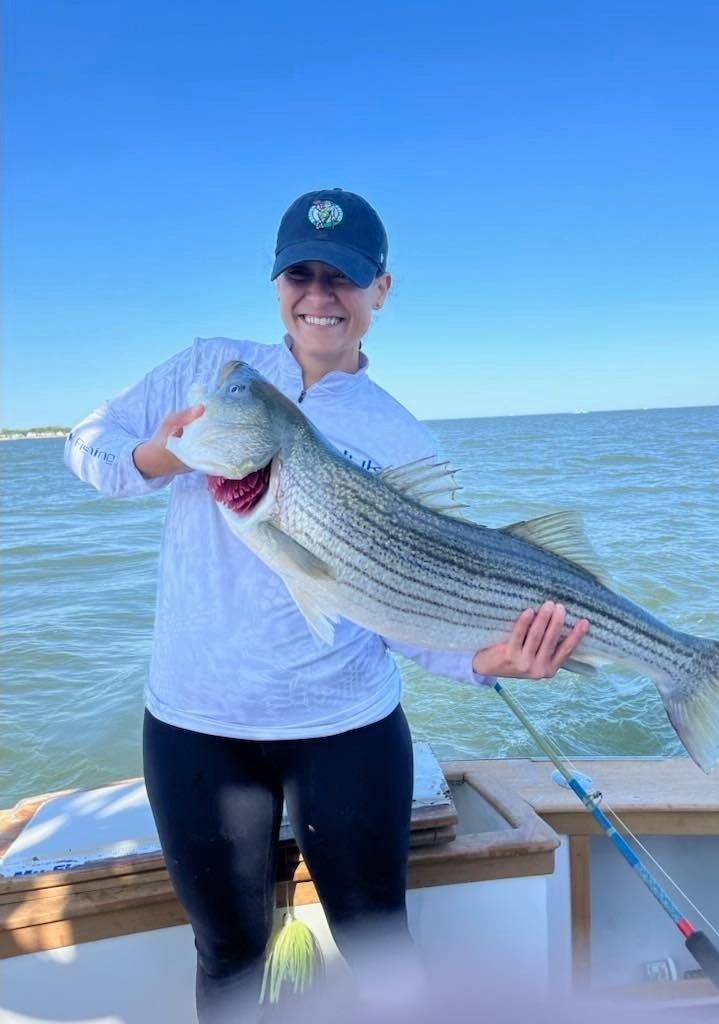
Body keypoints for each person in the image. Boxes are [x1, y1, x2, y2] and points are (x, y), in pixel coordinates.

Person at [65, 188, 589, 1022]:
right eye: (299, 273)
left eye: (342, 277)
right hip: (198, 726)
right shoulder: (214, 367)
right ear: (276, 284)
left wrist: (485, 661)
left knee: (383, 948)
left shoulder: (402, 437)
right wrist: (157, 452)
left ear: (380, 289)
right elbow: (85, 443)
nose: (319, 294)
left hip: (347, 728)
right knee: (230, 955)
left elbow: (410, 599)